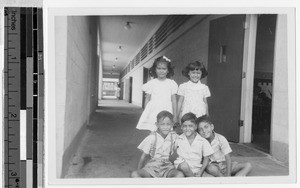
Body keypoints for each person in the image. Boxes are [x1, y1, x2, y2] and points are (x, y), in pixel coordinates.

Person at [131, 111, 184, 178]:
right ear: (157, 125)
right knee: (134, 174)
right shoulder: (152, 137)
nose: (165, 127)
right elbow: (143, 156)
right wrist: (139, 170)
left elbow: (184, 139)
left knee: (180, 175)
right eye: (162, 124)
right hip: (152, 167)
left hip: (167, 167)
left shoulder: (174, 137)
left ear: (172, 124)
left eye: (168, 124)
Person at [136, 56, 178, 131]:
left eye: (164, 69)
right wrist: (146, 112)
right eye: (159, 68)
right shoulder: (151, 83)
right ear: (155, 70)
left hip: (167, 109)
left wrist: (175, 115)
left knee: (166, 130)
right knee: (153, 130)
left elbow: (174, 100)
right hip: (153, 110)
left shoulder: (171, 83)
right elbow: (147, 99)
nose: (161, 71)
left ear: (168, 70)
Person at [174, 113, 213, 177]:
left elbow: (206, 158)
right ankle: (194, 181)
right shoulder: (178, 139)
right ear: (181, 127)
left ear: (195, 127)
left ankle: (193, 179)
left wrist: (201, 172)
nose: (187, 128)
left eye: (190, 126)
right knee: (184, 166)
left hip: (197, 170)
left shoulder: (202, 141)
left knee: (212, 179)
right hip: (182, 169)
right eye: (184, 126)